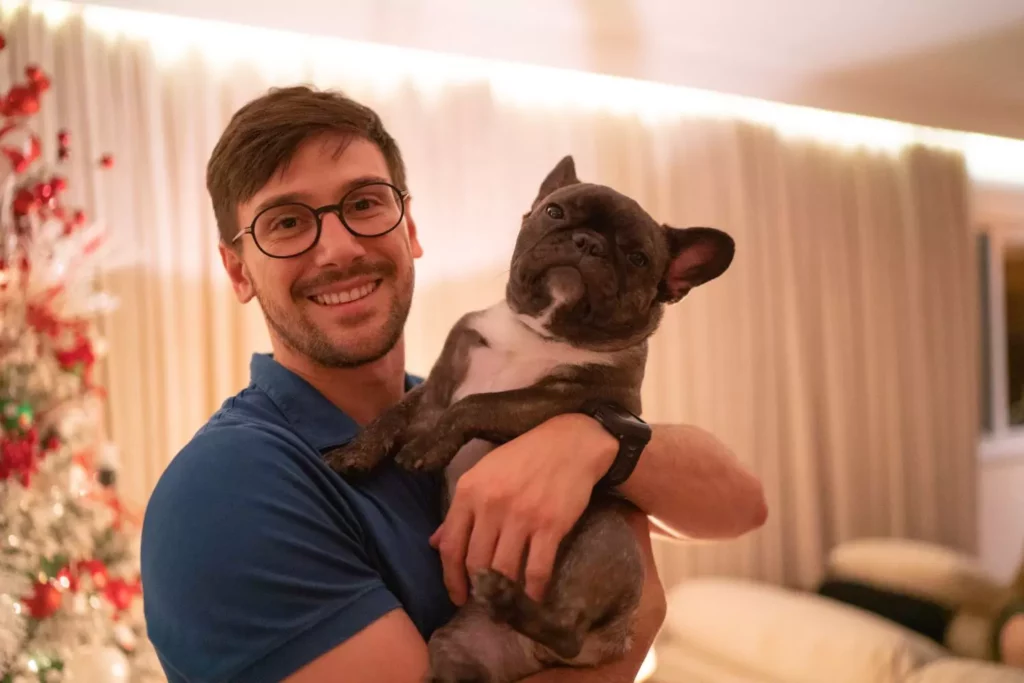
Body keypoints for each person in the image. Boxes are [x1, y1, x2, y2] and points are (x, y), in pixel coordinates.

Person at [140, 85, 768, 683]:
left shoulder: (472, 401)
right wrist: (636, 630)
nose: (337, 249)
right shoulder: (229, 487)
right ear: (237, 270)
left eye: (363, 203)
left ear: (409, 228)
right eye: (286, 223)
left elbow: (742, 506)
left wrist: (597, 442)